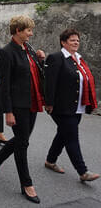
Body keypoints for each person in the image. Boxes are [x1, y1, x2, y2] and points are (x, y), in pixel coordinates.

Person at [0, 15, 45, 204]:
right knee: (22, 143)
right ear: (18, 31)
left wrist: (40, 60)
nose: (31, 33)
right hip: (18, 105)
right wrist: (8, 111)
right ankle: (26, 184)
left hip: (32, 102)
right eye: (28, 30)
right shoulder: (7, 52)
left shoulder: (27, 48)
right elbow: (4, 86)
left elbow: (34, 73)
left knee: (22, 139)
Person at [44, 29, 99, 182]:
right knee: (72, 137)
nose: (76, 43)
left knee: (63, 134)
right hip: (61, 107)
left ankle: (50, 160)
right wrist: (49, 103)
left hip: (77, 106)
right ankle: (83, 171)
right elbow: (50, 82)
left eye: (77, 40)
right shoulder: (57, 58)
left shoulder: (78, 59)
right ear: (63, 42)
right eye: (72, 40)